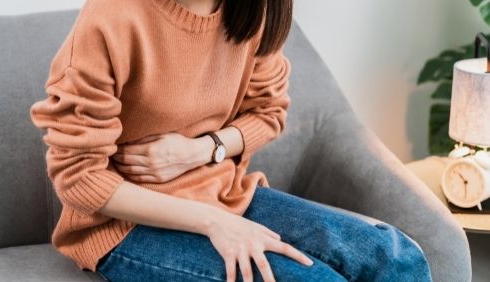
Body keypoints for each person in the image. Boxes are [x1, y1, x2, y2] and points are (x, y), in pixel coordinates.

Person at [29, 0, 433, 281]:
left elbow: (269, 111)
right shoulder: (114, 17)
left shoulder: (250, 11)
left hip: (224, 193)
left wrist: (201, 150)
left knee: (396, 258)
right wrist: (215, 222)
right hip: (124, 226)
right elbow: (79, 178)